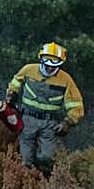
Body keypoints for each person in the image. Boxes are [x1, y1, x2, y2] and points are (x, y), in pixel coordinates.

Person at [6, 42, 84, 173]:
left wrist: (67, 122)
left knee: (46, 158)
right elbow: (16, 82)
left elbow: (76, 105)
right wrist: (11, 94)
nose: (49, 68)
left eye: (53, 65)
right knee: (25, 160)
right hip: (27, 120)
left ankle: (45, 181)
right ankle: (28, 185)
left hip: (49, 124)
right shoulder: (28, 70)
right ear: (41, 59)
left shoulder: (65, 80)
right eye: (46, 64)